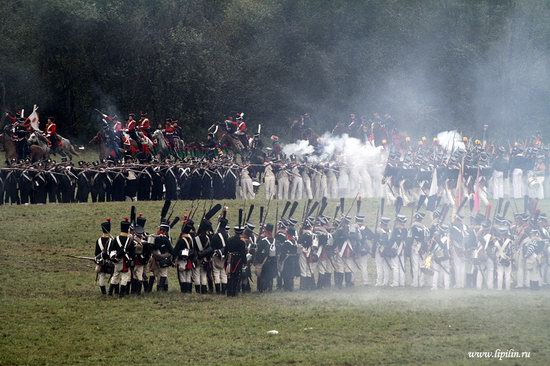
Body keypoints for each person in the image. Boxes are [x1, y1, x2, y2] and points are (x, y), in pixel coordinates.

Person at [225, 224, 248, 297]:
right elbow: (243, 253)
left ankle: (229, 292)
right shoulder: (242, 241)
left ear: (235, 231)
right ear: (242, 232)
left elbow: (225, 250)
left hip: (229, 258)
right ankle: (234, 292)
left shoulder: (229, 239)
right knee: (236, 276)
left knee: (230, 276)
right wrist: (245, 262)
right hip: (238, 259)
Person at [94, 218, 113, 295]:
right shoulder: (112, 240)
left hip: (101, 261)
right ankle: (112, 291)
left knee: (102, 276)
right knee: (115, 275)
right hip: (111, 262)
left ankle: (103, 292)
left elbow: (96, 253)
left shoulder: (98, 240)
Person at [153, 221, 173, 291]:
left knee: (161, 274)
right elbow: (171, 250)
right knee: (163, 274)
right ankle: (161, 288)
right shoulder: (164, 239)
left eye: (160, 229)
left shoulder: (158, 238)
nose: (158, 230)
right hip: (162, 258)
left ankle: (161, 288)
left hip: (160, 259)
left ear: (163, 231)